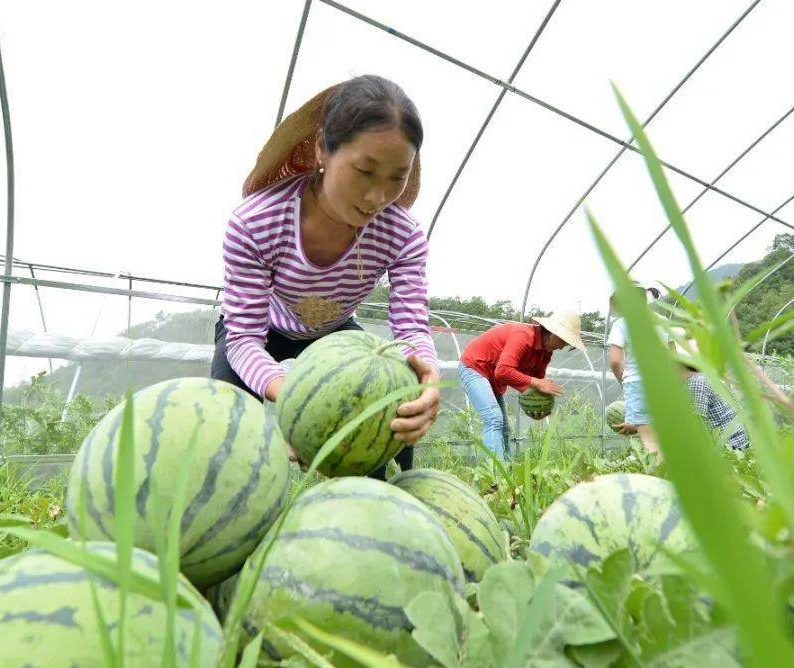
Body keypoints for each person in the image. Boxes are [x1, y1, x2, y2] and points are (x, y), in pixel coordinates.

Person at [210, 76, 439, 478]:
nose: (377, 197)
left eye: (396, 177)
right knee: (226, 430)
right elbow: (244, 337)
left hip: (337, 334)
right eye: (365, 171)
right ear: (321, 149)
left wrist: (426, 375)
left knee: (390, 438)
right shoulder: (255, 222)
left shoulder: (403, 235)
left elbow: (410, 328)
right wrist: (302, 403)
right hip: (264, 330)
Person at [458, 311, 586, 461]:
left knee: (505, 429)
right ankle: (494, 476)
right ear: (553, 332)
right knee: (493, 418)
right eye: (565, 340)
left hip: (494, 377)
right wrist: (538, 383)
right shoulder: (523, 336)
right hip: (474, 367)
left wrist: (537, 409)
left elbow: (533, 388)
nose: (564, 346)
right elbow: (503, 371)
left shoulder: (546, 353)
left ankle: (507, 475)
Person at [607, 286, 662, 453]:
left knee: (649, 442)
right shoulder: (662, 321)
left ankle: (660, 475)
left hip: (637, 382)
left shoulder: (622, 324)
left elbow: (615, 361)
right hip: (664, 384)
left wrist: (624, 381)